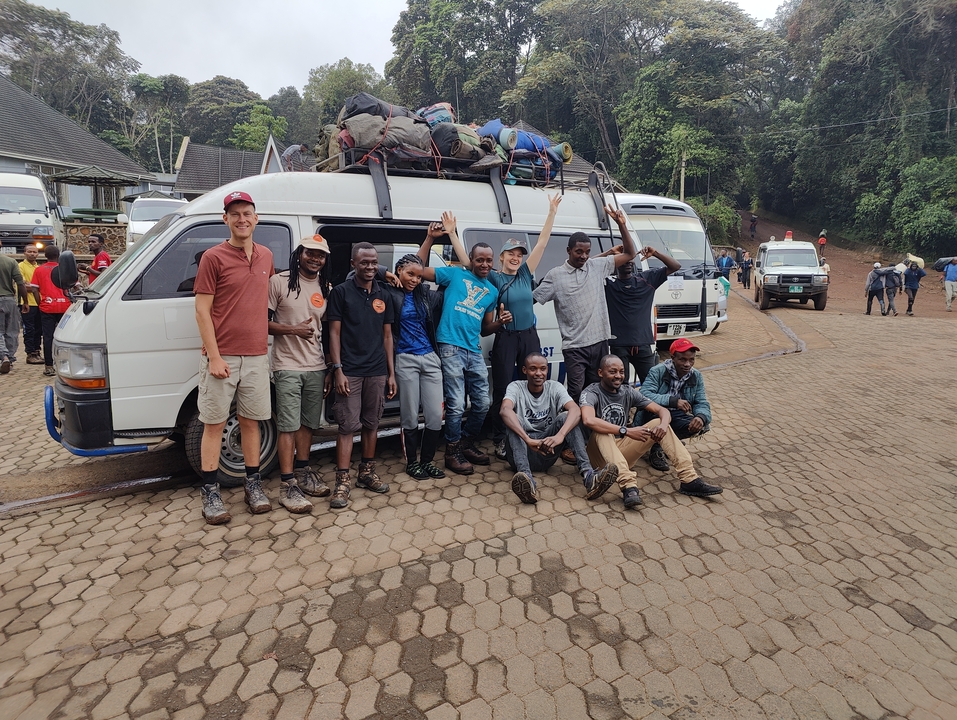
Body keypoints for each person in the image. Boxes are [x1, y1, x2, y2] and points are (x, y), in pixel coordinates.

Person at [193, 190, 275, 525]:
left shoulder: (266, 256)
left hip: (256, 355)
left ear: (256, 218)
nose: (242, 219)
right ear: (225, 219)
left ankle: (253, 485)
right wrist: (213, 357)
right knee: (214, 424)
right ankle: (210, 492)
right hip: (222, 356)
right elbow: (202, 310)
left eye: (247, 213)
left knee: (251, 421)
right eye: (235, 214)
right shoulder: (213, 257)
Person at [533, 205, 638, 461]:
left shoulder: (597, 266)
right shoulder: (556, 276)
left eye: (587, 252)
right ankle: (572, 443)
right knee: (577, 396)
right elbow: (532, 298)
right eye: (578, 251)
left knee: (598, 394)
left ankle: (596, 442)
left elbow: (630, 253)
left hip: (599, 342)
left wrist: (622, 224)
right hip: (574, 347)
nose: (583, 256)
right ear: (568, 251)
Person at [580, 354, 722, 509]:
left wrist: (663, 425)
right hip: (598, 458)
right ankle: (628, 486)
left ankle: (689, 479)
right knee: (602, 431)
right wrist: (626, 431)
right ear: (601, 373)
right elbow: (589, 420)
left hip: (622, 454)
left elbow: (662, 410)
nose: (618, 376)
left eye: (621, 372)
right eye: (612, 372)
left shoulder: (627, 391)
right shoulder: (591, 392)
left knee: (658, 422)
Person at [416, 213, 500, 475]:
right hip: (450, 345)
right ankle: (451, 452)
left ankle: (465, 443)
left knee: (483, 403)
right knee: (455, 403)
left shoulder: (493, 292)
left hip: (473, 349)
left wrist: (501, 323)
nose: (484, 264)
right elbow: (417, 270)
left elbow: (486, 328)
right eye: (479, 260)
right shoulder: (454, 275)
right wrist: (429, 239)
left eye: (488, 260)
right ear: (471, 260)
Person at [484, 193, 561, 460]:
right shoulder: (494, 277)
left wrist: (551, 212)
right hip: (506, 337)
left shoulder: (526, 273)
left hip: (529, 336)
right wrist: (452, 234)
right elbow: (470, 266)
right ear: (502, 257)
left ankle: (534, 430)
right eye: (511, 254)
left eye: (519, 254)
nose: (516, 258)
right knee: (504, 388)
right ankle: (501, 438)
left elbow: (542, 242)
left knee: (534, 384)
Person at [267, 235, 334, 514]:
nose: (315, 259)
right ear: (300, 254)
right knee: (288, 426)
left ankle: (304, 472)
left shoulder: (325, 287)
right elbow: (262, 323)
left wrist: (329, 368)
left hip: (316, 367)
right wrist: (293, 330)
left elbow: (327, 333)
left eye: (321, 255)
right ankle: (287, 484)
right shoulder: (278, 282)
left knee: (308, 424)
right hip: (287, 366)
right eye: (310, 253)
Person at [327, 242, 396, 508]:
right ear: (353, 264)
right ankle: (342, 482)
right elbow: (333, 333)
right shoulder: (341, 292)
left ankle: (366, 473)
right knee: (347, 426)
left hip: (377, 370)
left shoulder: (384, 294)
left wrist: (391, 373)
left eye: (374, 262)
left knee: (372, 423)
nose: (369, 267)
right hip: (350, 371)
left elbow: (387, 336)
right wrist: (338, 370)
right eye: (364, 262)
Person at [500, 352, 618, 504]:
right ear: (524, 370)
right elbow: (505, 410)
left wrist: (560, 436)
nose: (538, 373)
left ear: (547, 370)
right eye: (533, 369)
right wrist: (528, 440)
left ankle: (589, 477)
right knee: (512, 419)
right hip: (520, 453)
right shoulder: (515, 387)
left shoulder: (554, 387)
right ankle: (527, 480)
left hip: (547, 451)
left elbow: (575, 410)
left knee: (567, 416)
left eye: (543, 369)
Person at [385, 253, 446, 480]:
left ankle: (427, 461)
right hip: (405, 358)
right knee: (410, 415)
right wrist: (384, 273)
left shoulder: (424, 294)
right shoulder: (388, 292)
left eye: (419, 276)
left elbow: (449, 288)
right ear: (398, 270)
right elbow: (356, 274)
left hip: (430, 358)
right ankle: (412, 462)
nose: (415, 280)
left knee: (435, 415)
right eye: (410, 274)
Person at [602, 243, 679, 385]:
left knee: (651, 384)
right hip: (619, 345)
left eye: (630, 259)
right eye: (623, 259)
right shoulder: (608, 283)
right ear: (616, 262)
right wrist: (609, 253)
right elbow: (585, 269)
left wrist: (655, 253)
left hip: (642, 344)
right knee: (620, 387)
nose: (628, 262)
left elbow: (675, 266)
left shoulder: (647, 279)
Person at [638, 338, 713, 472]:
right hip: (654, 414)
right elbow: (644, 395)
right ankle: (656, 449)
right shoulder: (657, 371)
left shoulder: (696, 375)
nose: (687, 364)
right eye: (682, 359)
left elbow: (701, 402)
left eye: (691, 360)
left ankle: (666, 444)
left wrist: (701, 417)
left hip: (677, 415)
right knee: (658, 419)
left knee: (702, 425)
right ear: (673, 358)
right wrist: (673, 401)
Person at [32, 245, 72, 377]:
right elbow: (75, 286)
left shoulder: (39, 270)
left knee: (48, 336)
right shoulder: (64, 269)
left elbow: (34, 289)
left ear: (45, 255)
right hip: (64, 306)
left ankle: (49, 366)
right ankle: (66, 363)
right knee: (66, 336)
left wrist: (40, 303)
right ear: (58, 255)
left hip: (47, 307)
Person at [0, 239, 29, 374]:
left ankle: (4, 356)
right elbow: (20, 283)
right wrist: (25, 301)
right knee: (11, 331)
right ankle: (10, 359)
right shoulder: (11, 262)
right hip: (9, 300)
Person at [17, 243, 42, 364]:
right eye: (29, 252)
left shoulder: (39, 268)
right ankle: (30, 353)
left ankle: (37, 351)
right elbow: (22, 285)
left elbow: (40, 286)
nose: (32, 254)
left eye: (34, 252)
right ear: (24, 253)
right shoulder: (20, 266)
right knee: (29, 330)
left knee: (39, 329)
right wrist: (37, 287)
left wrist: (32, 286)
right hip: (27, 303)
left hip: (39, 303)